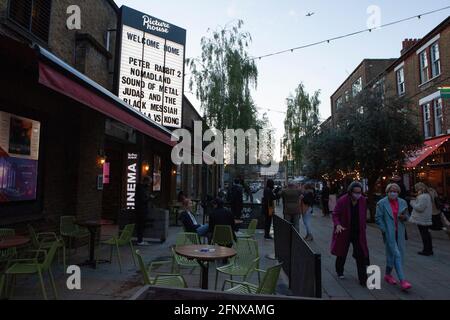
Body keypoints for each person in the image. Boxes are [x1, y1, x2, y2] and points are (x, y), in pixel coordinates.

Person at [331, 181, 370, 286]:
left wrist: (364, 226)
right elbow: (335, 214)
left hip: (358, 231)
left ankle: (363, 279)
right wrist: (337, 224)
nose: (358, 194)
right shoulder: (343, 200)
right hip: (344, 230)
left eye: (359, 192)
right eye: (355, 192)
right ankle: (339, 270)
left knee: (361, 254)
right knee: (342, 252)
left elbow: (363, 214)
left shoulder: (362, 200)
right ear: (350, 192)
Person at [376, 183, 412, 291]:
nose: (393, 193)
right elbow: (378, 218)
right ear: (387, 192)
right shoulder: (381, 203)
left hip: (399, 233)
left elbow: (408, 216)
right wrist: (384, 230)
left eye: (395, 191)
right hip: (389, 233)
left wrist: (404, 217)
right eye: (391, 191)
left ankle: (387, 275)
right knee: (397, 255)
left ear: (398, 192)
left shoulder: (403, 202)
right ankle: (403, 281)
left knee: (393, 255)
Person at [409, 182, 434, 256]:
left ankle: (426, 250)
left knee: (424, 234)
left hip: (421, 218)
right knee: (426, 234)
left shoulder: (423, 196)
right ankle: (429, 249)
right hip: (424, 217)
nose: (416, 190)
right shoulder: (426, 195)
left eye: (416, 188)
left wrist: (412, 202)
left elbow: (420, 208)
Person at [135, 176, 155, 246]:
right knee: (140, 225)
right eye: (149, 182)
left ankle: (140, 240)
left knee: (142, 225)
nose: (149, 184)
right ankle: (139, 240)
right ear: (146, 181)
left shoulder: (144, 188)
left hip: (143, 209)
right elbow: (143, 199)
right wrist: (150, 198)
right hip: (141, 210)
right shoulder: (141, 188)